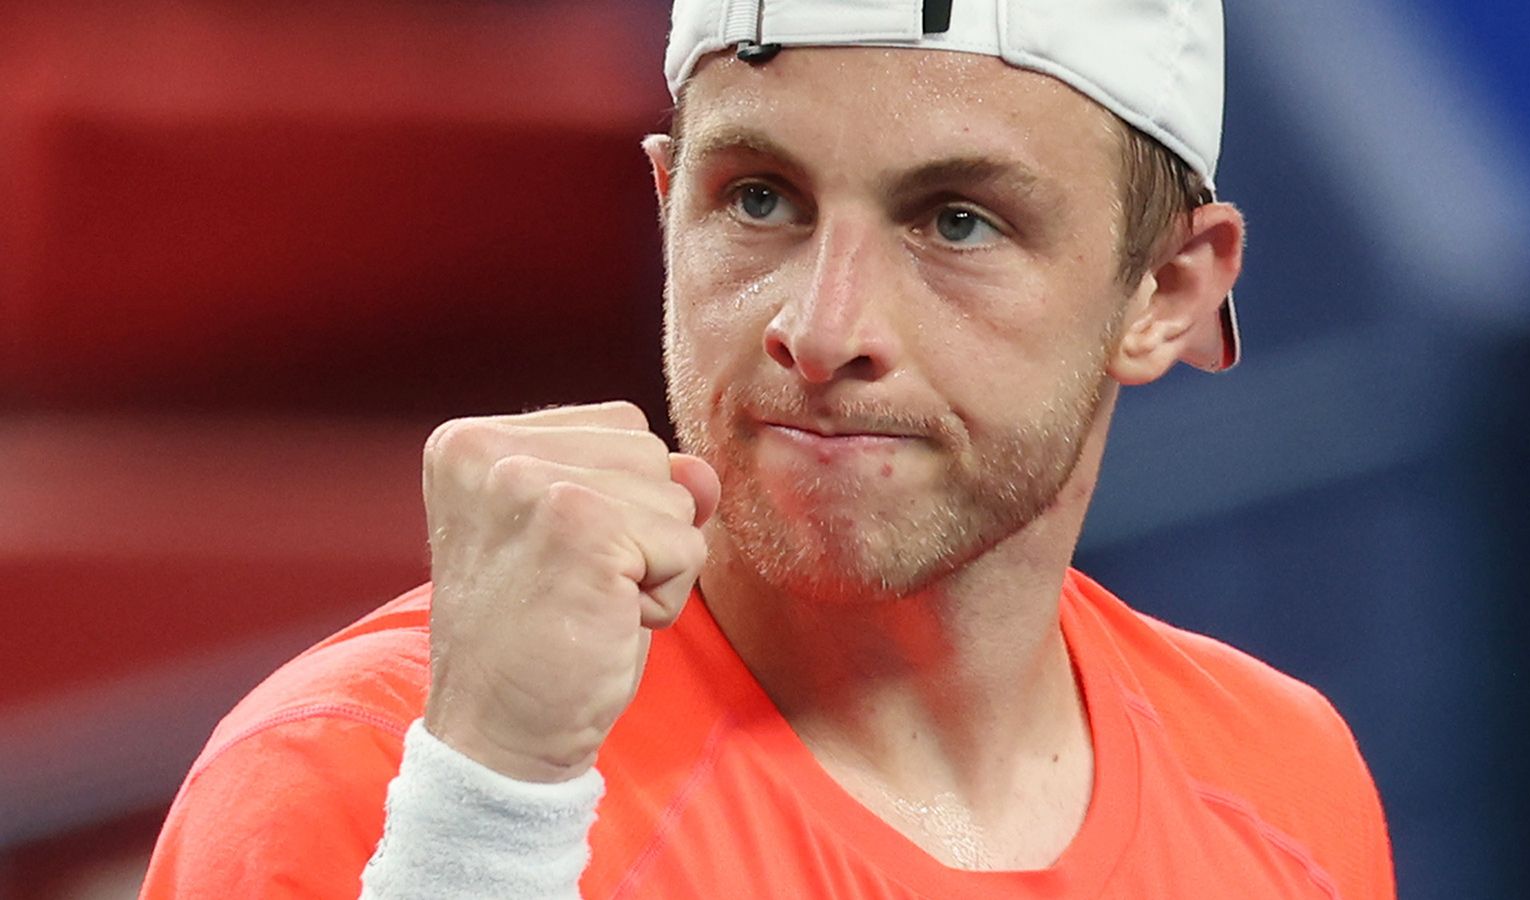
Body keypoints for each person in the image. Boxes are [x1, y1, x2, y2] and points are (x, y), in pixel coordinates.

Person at [140, 1, 1394, 897]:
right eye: (758, 199)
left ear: (1167, 293)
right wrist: (489, 823)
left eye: (958, 222)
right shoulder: (375, 775)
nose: (822, 328)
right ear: (666, 208)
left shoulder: (1281, 777)